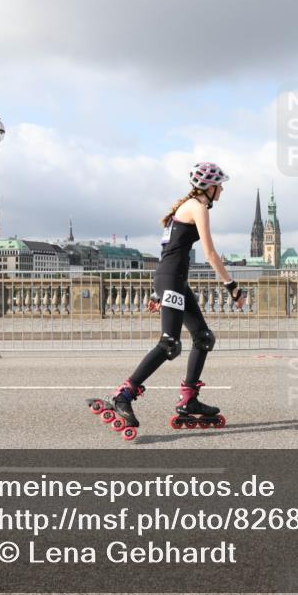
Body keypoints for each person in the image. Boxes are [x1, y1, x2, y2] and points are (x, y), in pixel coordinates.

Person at [111, 162, 246, 434]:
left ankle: (189, 399)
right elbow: (210, 254)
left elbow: (167, 252)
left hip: (174, 282)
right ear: (210, 187)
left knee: (203, 337)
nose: (222, 190)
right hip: (172, 281)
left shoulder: (187, 208)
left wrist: (155, 290)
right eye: (220, 185)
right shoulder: (197, 207)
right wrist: (232, 286)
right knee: (169, 344)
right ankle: (123, 395)